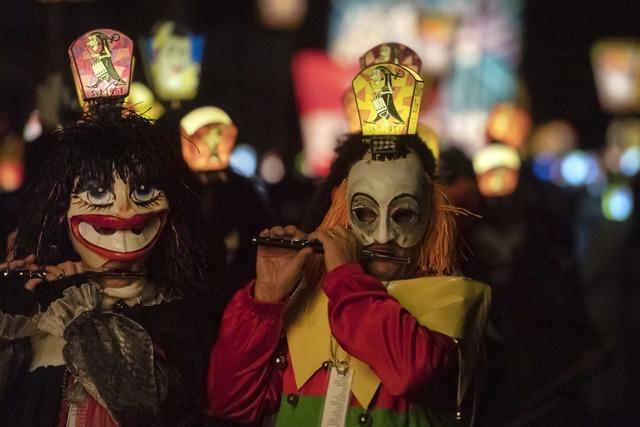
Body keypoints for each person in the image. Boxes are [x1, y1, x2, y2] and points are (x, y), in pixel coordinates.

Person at [208, 60, 490, 426]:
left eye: (403, 215)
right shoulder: (310, 300)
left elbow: (411, 370)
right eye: (365, 214)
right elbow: (230, 402)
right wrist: (265, 300)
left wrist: (344, 277)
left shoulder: (453, 300)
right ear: (342, 211)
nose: (384, 236)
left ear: (431, 218)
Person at [0, 104, 216, 426]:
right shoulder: (40, 304)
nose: (125, 208)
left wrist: (80, 312)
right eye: (98, 191)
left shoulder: (178, 310)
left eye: (143, 189)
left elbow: (146, 406)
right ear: (61, 210)